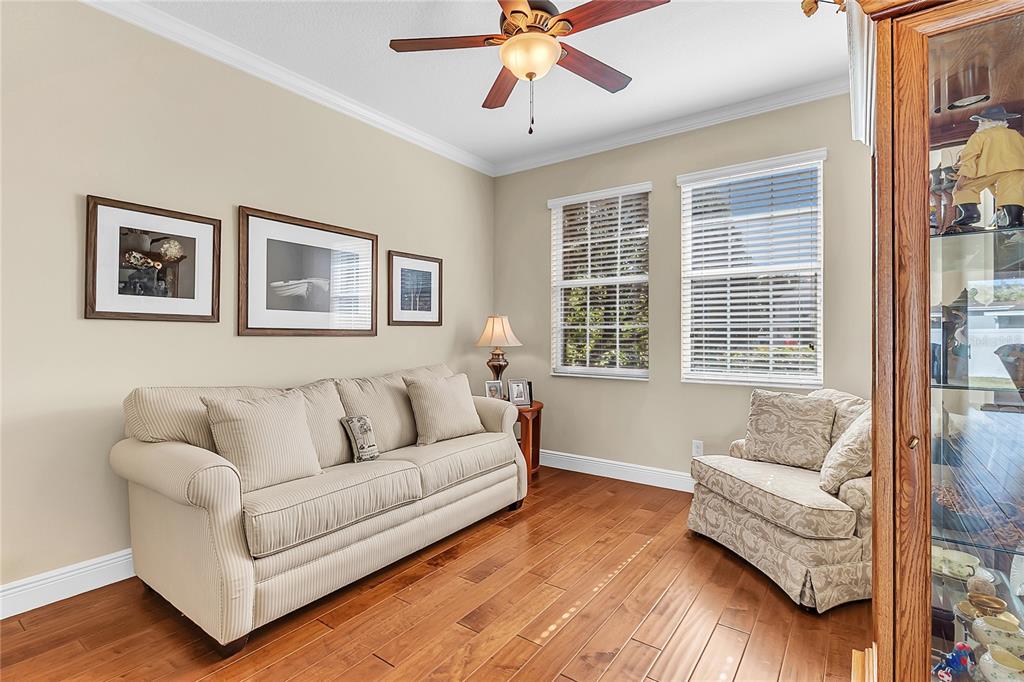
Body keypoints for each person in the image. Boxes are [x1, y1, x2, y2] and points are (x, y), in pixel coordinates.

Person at [951, 105, 1024, 229]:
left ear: (988, 121)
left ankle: (971, 214)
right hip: (1017, 169)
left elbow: (969, 157)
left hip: (989, 170)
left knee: (964, 188)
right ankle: (1015, 221)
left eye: (981, 120)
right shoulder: (1015, 135)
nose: (979, 123)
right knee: (1012, 193)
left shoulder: (980, 135)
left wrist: (962, 177)